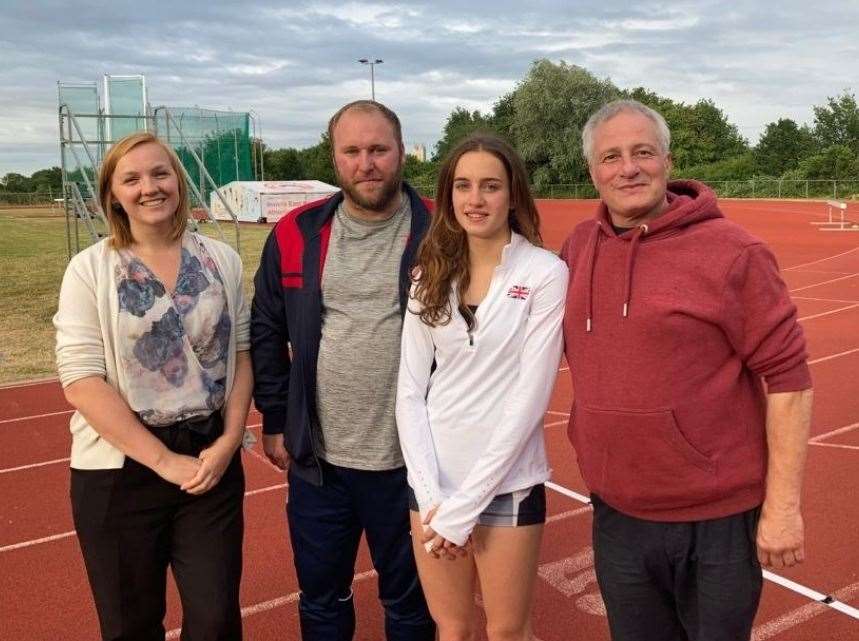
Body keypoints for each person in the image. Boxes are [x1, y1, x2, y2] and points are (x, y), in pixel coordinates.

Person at [560, 99, 813, 641]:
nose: (628, 168)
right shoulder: (579, 248)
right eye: (612, 156)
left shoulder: (733, 253)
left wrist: (783, 508)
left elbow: (789, 380)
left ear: (668, 161)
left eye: (643, 152)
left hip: (716, 521)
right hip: (618, 515)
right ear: (593, 171)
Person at [54, 131, 253, 641]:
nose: (150, 187)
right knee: (130, 626)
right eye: (132, 178)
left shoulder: (221, 260)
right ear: (113, 194)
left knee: (215, 622)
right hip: (120, 471)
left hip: (210, 463)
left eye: (161, 173)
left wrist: (230, 441)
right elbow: (81, 380)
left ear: (179, 182)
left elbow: (242, 355)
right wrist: (164, 461)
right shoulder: (90, 269)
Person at [250, 100, 435, 641]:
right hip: (320, 461)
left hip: (412, 462)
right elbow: (266, 328)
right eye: (352, 151)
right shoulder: (295, 234)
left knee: (410, 602)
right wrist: (277, 418)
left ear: (400, 152)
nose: (367, 163)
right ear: (334, 157)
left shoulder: (440, 228)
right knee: (322, 597)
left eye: (378, 149)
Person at [396, 133, 568, 641]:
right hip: (432, 486)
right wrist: (431, 499)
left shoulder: (544, 272)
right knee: (451, 629)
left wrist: (464, 509)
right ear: (449, 195)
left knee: (507, 632)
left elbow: (529, 400)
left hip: (508, 483)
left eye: (491, 186)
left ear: (513, 194)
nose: (476, 200)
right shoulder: (428, 273)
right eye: (464, 186)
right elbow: (409, 391)